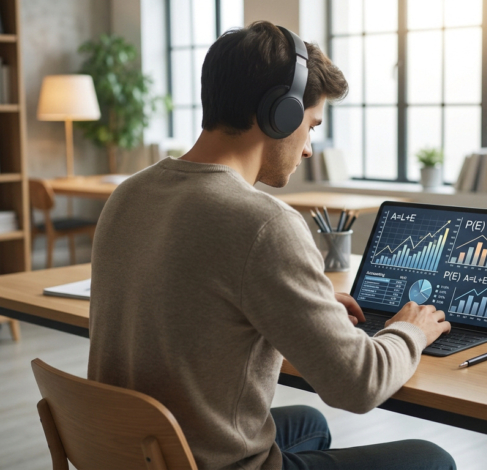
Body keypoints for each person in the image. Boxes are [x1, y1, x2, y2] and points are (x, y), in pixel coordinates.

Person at [88, 21, 456, 470]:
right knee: (430, 458)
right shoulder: (263, 222)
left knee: (307, 423)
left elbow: (198, 303)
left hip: (130, 451)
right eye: (312, 125)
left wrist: (297, 307)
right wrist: (411, 329)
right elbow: (359, 385)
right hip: (207, 463)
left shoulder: (130, 192)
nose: (307, 149)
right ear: (279, 114)